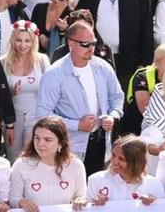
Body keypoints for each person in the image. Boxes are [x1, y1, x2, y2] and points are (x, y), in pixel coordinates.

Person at [35, 20, 123, 174]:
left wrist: (113, 116)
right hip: (70, 145)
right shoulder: (55, 73)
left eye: (93, 43)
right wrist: (77, 125)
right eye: (85, 44)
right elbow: (42, 114)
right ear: (71, 43)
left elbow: (117, 96)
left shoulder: (103, 67)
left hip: (101, 141)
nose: (91, 48)